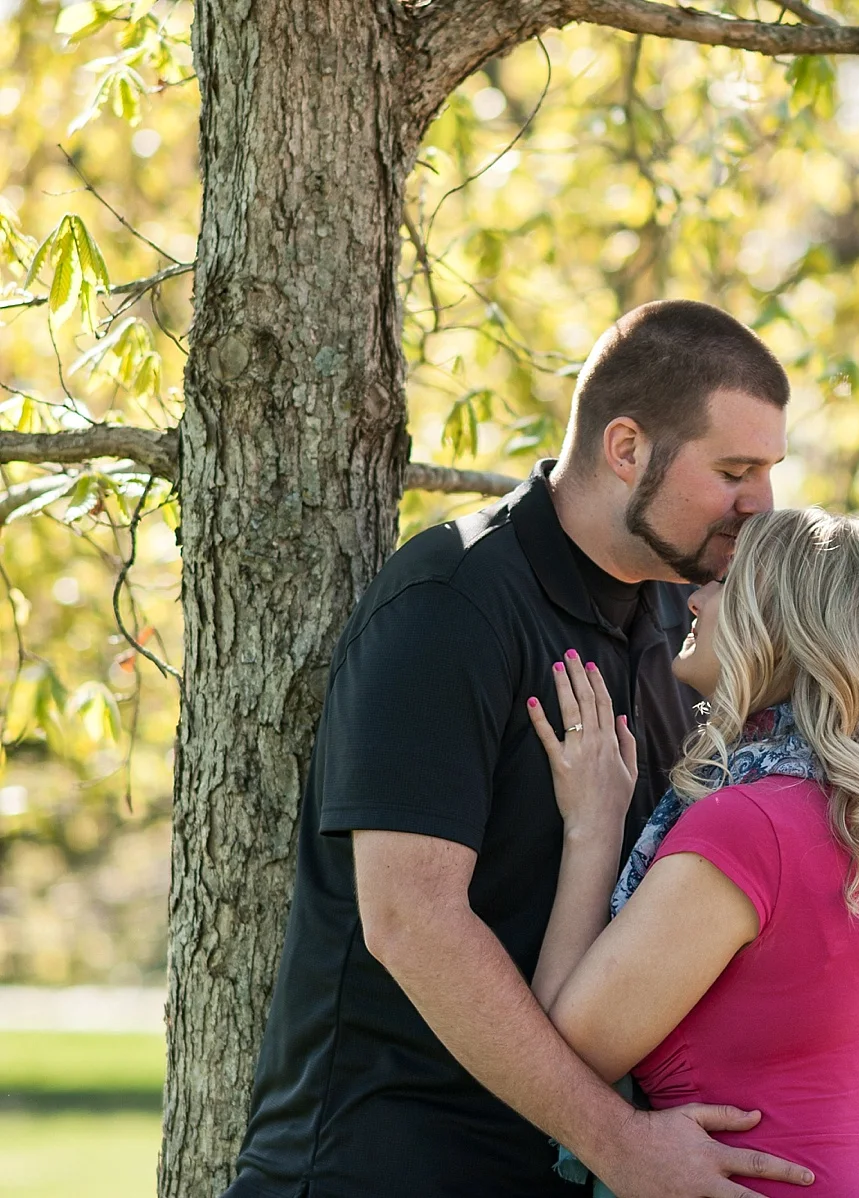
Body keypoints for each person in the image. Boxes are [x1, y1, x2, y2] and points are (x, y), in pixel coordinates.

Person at [223, 300, 816, 1198]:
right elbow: (411, 922)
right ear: (626, 449)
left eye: (768, 471)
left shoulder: (683, 624)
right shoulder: (451, 602)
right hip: (384, 1168)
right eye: (733, 469)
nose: (759, 505)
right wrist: (618, 1142)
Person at [521, 507, 859, 1197]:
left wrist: (594, 826)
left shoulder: (748, 824)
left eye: (723, 581)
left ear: (785, 622)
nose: (693, 597)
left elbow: (567, 1052)